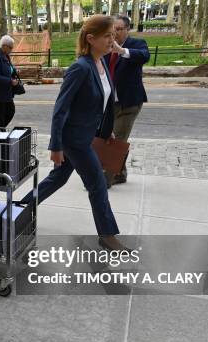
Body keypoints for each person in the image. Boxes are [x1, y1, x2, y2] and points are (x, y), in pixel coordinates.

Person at [20, 15, 127, 251]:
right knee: (98, 183)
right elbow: (60, 109)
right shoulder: (80, 68)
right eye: (108, 35)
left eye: (114, 34)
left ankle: (19, 210)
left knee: (57, 178)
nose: (113, 39)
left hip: (87, 136)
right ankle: (107, 235)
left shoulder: (102, 64)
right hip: (74, 140)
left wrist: (106, 132)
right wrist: (56, 147)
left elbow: (105, 103)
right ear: (91, 38)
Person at [103, 15, 150, 186]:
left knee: (116, 141)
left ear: (127, 29)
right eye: (112, 29)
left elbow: (145, 56)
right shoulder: (107, 48)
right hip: (111, 104)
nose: (115, 33)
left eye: (119, 29)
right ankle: (120, 173)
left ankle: (104, 181)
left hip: (129, 103)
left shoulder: (137, 44)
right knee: (108, 138)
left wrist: (122, 51)